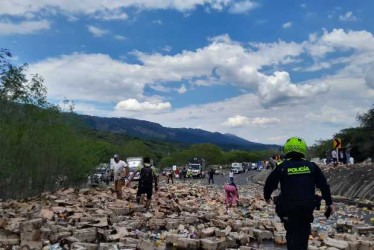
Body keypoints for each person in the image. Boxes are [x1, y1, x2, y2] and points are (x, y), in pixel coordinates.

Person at [264, 137, 334, 250]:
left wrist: (267, 196)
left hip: (289, 208)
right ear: (303, 150)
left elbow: (269, 183)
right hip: (307, 207)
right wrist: (329, 203)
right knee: (304, 232)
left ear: (287, 150)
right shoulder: (312, 166)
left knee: (291, 234)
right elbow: (324, 185)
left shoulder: (282, 167)